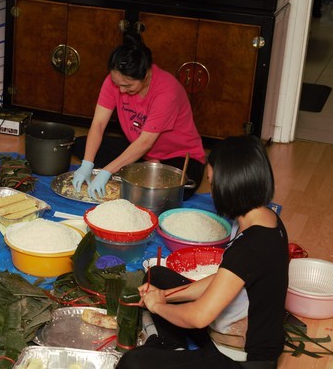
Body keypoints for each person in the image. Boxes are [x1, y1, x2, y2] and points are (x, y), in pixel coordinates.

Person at [117, 135, 289, 369]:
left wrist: (157, 306)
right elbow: (224, 279)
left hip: (241, 360)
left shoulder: (250, 247)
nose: (213, 191)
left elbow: (199, 316)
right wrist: (165, 296)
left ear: (229, 184)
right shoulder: (267, 220)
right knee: (158, 274)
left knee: (132, 363)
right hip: (230, 335)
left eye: (212, 182)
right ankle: (174, 347)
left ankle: (171, 349)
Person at [72, 32, 205, 200]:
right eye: (117, 84)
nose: (120, 90)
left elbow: (145, 142)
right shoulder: (115, 80)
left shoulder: (166, 91)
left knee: (173, 192)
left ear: (146, 74)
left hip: (177, 157)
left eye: (127, 85)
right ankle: (139, 169)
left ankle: (138, 171)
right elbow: (98, 124)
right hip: (142, 152)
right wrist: (86, 164)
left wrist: (107, 171)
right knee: (82, 146)